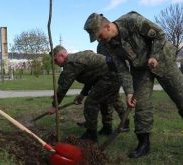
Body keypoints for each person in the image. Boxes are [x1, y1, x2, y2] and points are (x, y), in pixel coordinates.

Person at [84, 11, 183, 158]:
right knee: (141, 105)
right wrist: (129, 91)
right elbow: (122, 69)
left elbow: (160, 34)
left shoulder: (132, 21)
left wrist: (154, 56)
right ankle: (144, 144)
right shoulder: (109, 45)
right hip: (140, 69)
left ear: (107, 26)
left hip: (163, 60)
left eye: (99, 36)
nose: (99, 40)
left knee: (181, 97)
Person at [48, 45, 123, 142]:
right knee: (103, 101)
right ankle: (107, 129)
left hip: (110, 76)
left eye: (55, 60)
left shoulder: (71, 63)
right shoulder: (77, 58)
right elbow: (91, 79)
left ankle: (91, 134)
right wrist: (82, 94)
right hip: (111, 75)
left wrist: (55, 105)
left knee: (91, 103)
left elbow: (63, 86)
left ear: (61, 55)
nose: (55, 63)